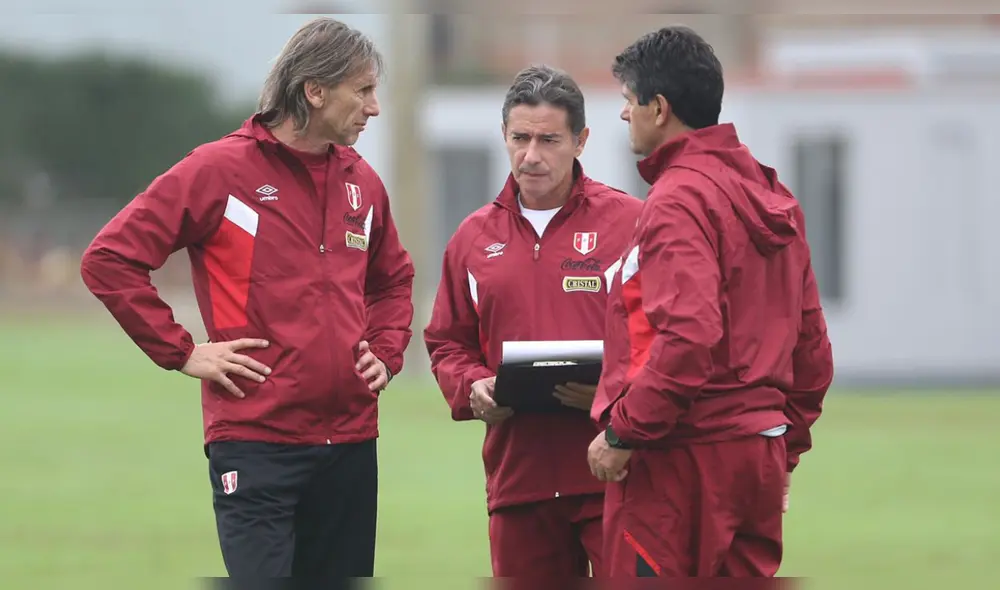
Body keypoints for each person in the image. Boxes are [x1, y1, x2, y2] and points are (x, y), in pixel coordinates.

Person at [79, 17, 414, 581]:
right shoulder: (218, 170)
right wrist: (181, 351)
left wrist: (385, 348)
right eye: (362, 91)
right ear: (315, 90)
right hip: (256, 442)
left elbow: (393, 281)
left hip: (353, 443)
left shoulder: (363, 181)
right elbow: (108, 260)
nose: (374, 107)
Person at [587, 26, 835, 578]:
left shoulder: (678, 198)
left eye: (629, 102)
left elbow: (690, 336)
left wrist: (623, 431)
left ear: (660, 108)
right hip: (759, 456)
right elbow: (812, 346)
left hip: (683, 458)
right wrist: (783, 444)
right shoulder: (773, 196)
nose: (624, 115)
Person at [423, 65, 643, 578]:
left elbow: (666, 335)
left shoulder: (632, 223)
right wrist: (471, 386)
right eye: (520, 138)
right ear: (504, 136)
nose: (531, 155)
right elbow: (446, 341)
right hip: (518, 480)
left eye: (549, 139)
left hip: (615, 471)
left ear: (581, 141)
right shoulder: (472, 238)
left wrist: (618, 394)